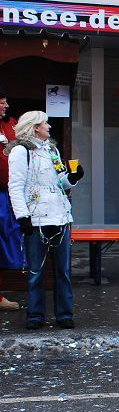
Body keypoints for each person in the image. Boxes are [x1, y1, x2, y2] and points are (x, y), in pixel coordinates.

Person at [7, 111, 84, 329]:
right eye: (45, 123)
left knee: (63, 270)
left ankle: (64, 314)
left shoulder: (51, 149)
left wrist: (72, 178)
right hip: (36, 218)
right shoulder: (21, 152)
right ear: (34, 128)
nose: (49, 126)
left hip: (60, 216)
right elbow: (16, 186)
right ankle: (35, 315)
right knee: (35, 271)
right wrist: (22, 217)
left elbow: (61, 182)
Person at [0, 87, 23, 311]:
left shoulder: (11, 124)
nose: (6, 106)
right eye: (2, 102)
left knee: (5, 241)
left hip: (6, 193)